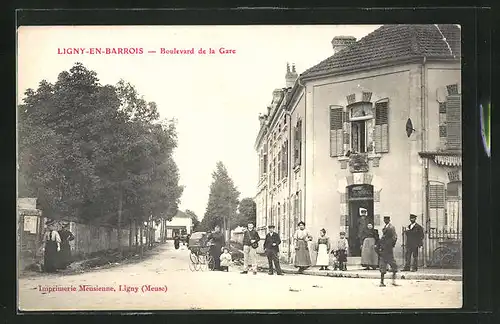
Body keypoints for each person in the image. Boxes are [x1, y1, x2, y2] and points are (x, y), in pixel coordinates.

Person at [376, 216, 399, 287]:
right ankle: (382, 282)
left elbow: (395, 237)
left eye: (387, 219)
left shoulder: (391, 227)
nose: (385, 221)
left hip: (388, 250)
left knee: (394, 266)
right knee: (383, 267)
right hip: (384, 250)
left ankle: (393, 281)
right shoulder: (384, 231)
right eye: (384, 220)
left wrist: (392, 244)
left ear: (389, 220)